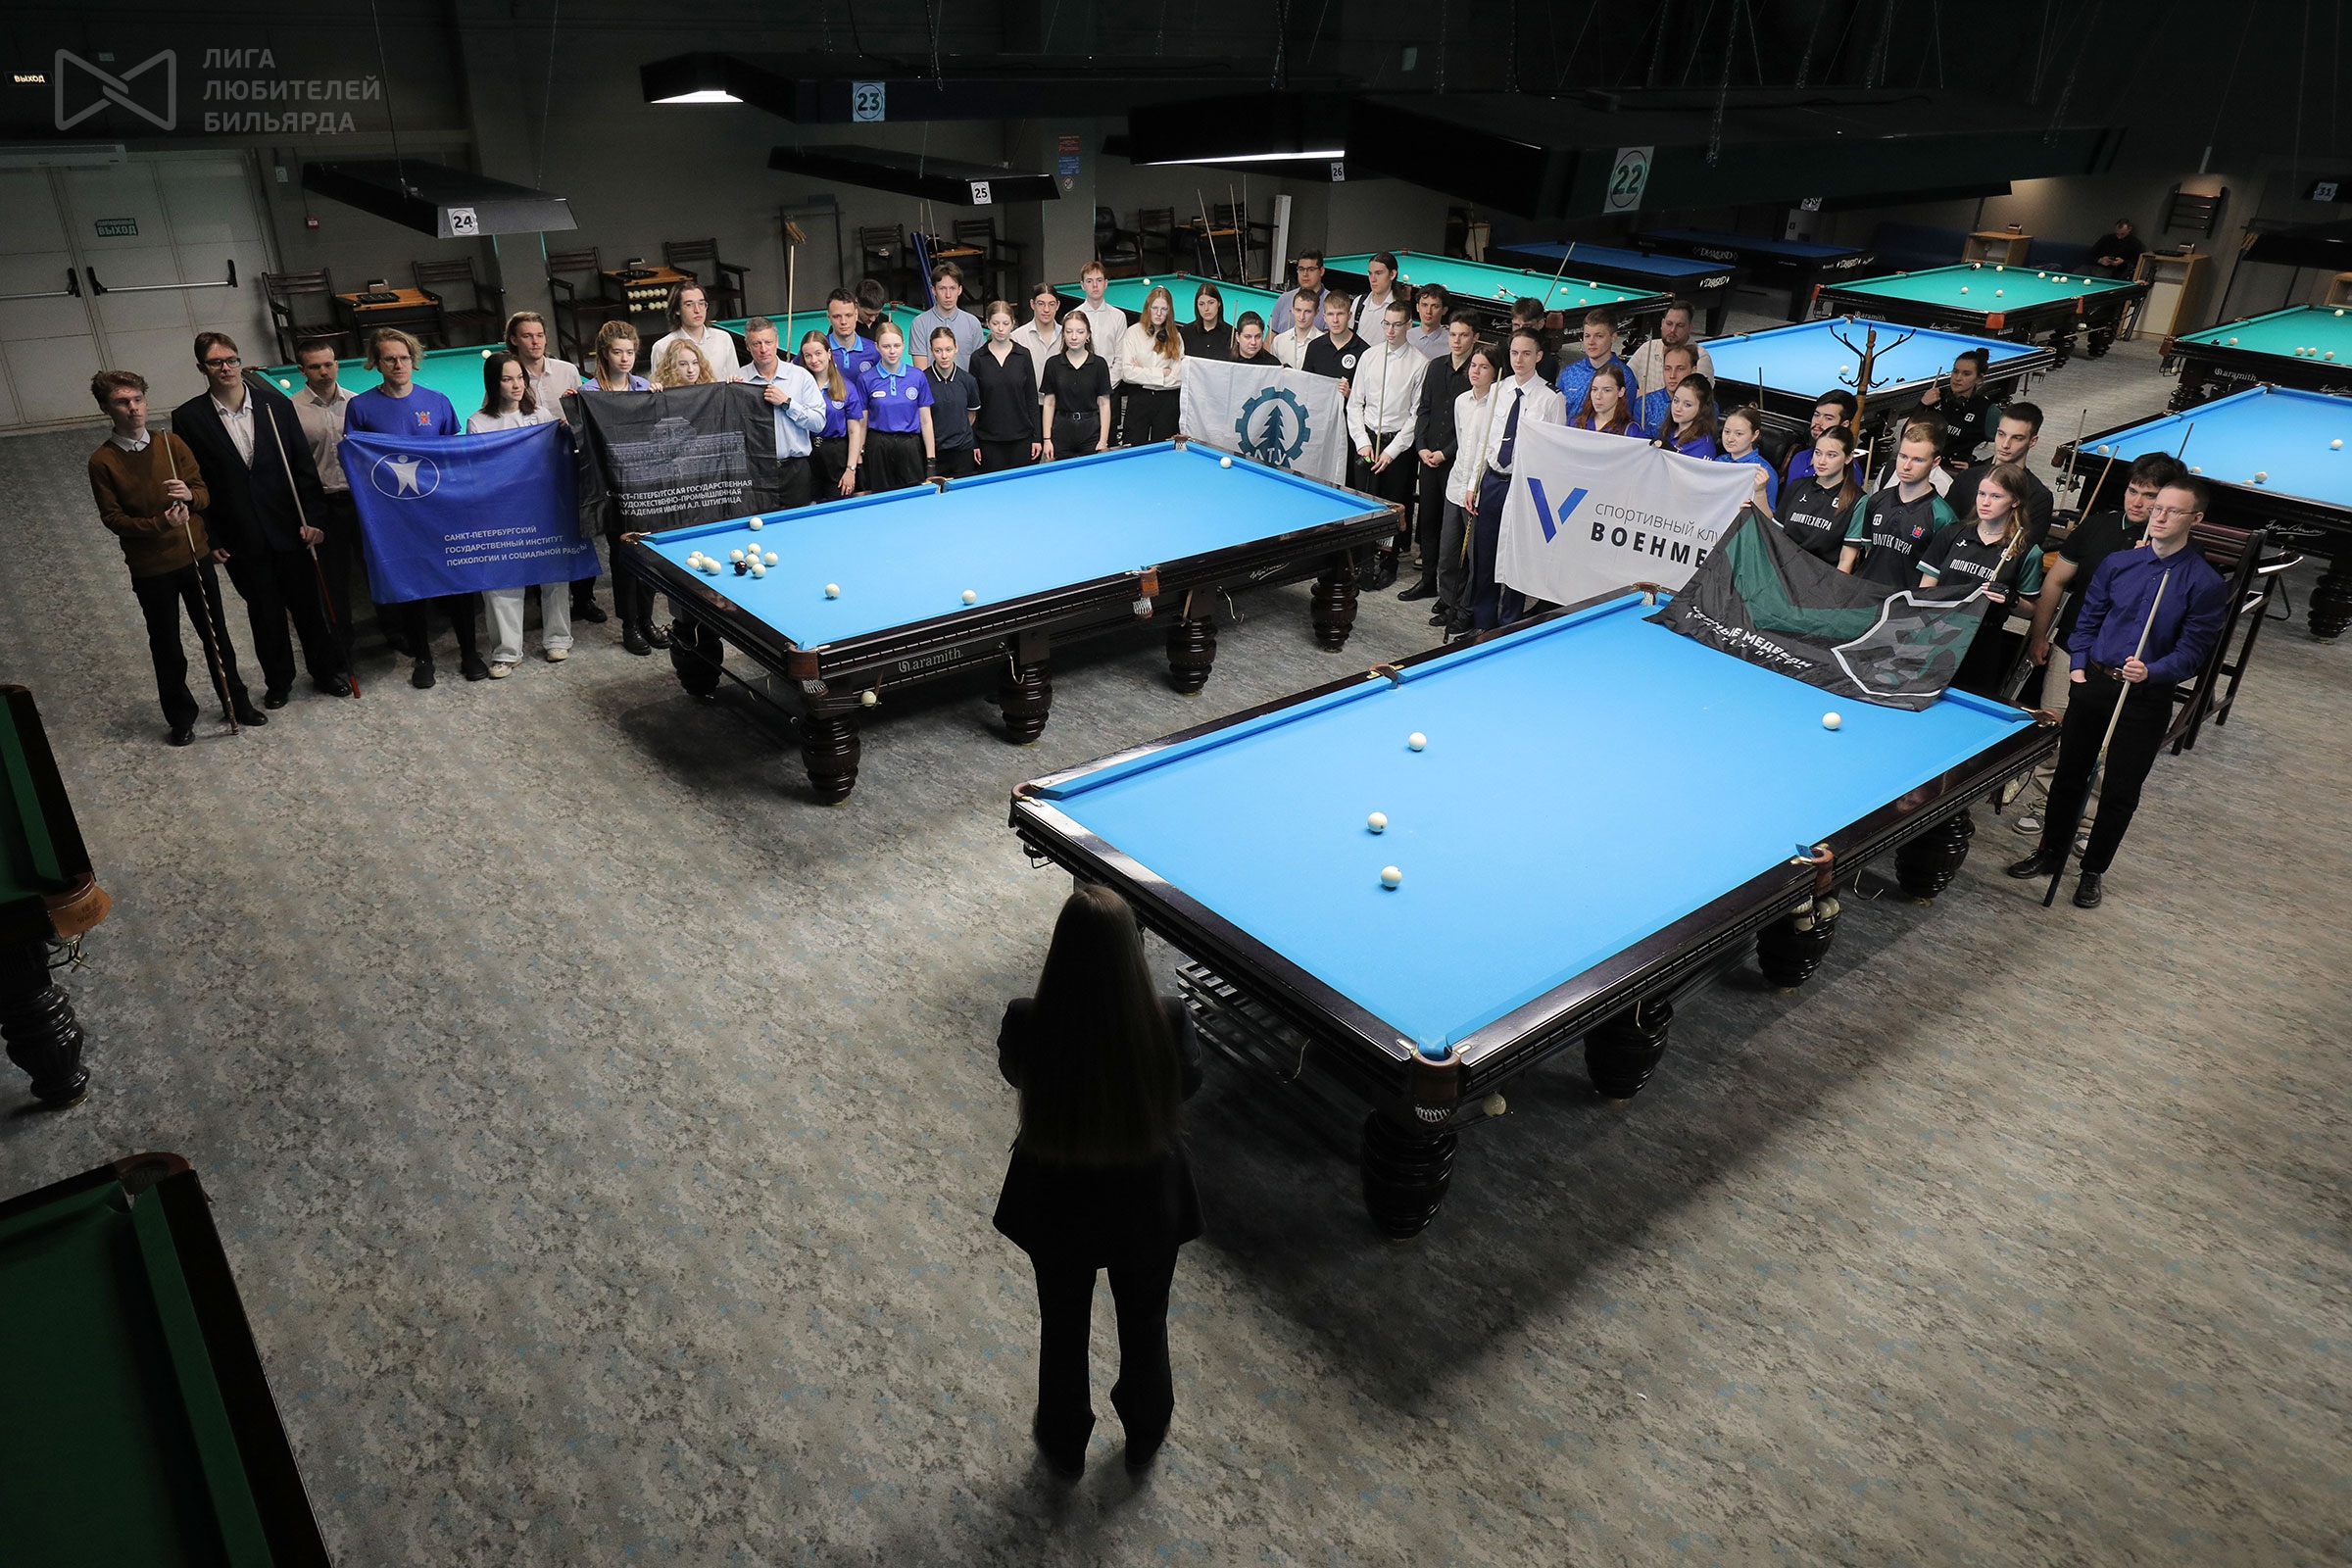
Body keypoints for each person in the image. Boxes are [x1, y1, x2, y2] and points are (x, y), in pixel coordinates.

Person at [994, 884, 1202, 1479]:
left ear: (1058, 952)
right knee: (1145, 1321)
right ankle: (1145, 1428)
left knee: (1062, 1326)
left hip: (1058, 1203)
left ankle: (1063, 1440)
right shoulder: (1169, 1019)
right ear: (1133, 953)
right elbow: (1189, 1085)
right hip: (1147, 1205)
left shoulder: (1027, 1019)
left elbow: (1014, 1072)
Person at [2006, 476, 2229, 907]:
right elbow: (2087, 619)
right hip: (2094, 683)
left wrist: (2153, 671)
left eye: (2172, 511)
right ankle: (2050, 852)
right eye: (2158, 508)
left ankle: (2092, 871)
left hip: (2144, 697)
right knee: (2069, 773)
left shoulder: (2204, 583)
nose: (2159, 516)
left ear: (2196, 519)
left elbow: (2194, 653)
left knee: (2120, 790)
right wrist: (2077, 666)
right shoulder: (2119, 564)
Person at [86, 370, 266, 742]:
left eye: (138, 399)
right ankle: (181, 718)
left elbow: (203, 493)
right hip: (151, 567)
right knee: (167, 645)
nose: (133, 408)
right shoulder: (102, 461)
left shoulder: (171, 443)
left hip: (194, 556)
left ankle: (237, 702)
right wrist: (160, 523)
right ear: (106, 408)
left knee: (216, 636)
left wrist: (190, 496)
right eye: (122, 402)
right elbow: (113, 519)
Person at [172, 331, 346, 707]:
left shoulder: (275, 405)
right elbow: (196, 482)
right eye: (216, 362)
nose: (226, 368)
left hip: (290, 526)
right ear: (202, 368)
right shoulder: (188, 418)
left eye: (231, 360)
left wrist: (314, 518)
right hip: (240, 534)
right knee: (265, 612)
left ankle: (326, 671)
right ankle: (279, 681)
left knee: (307, 607)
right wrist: (211, 536)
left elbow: (302, 467)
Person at [2011, 453, 2181, 832]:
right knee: (2054, 726)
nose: (2137, 502)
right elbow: (2055, 581)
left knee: (2107, 740)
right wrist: (2039, 635)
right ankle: (2044, 804)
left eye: (2149, 496)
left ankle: (2088, 820)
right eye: (2133, 491)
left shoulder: (2175, 548)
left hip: (2125, 661)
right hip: (2073, 646)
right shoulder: (2097, 527)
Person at [345, 326, 480, 687]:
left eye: (404, 357)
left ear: (414, 360)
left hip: (440, 511)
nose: (398, 364)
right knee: (411, 586)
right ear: (376, 363)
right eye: (390, 358)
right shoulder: (360, 407)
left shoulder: (437, 401)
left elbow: (452, 456)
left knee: (458, 581)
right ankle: (423, 657)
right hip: (395, 516)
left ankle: (470, 652)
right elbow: (358, 464)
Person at [466, 352, 572, 678]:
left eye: (520, 378)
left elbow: (555, 456)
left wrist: (566, 428)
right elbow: (479, 472)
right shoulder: (478, 422)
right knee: (502, 581)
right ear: (493, 383)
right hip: (502, 512)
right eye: (507, 379)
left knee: (554, 575)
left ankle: (558, 639)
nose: (516, 385)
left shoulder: (540, 415)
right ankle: (506, 652)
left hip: (543, 508)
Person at [288, 337, 388, 656]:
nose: (324, 372)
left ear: (336, 364)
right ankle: (342, 644)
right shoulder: (290, 410)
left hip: (362, 502)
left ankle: (394, 631)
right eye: (315, 366)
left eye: (328, 364)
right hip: (323, 505)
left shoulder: (357, 403)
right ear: (302, 370)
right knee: (333, 582)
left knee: (377, 570)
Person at [504, 310, 602, 628]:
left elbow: (585, 411)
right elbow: (498, 417)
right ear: (514, 340)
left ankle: (585, 597)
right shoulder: (508, 375)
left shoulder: (567, 370)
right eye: (527, 336)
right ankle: (543, 601)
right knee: (541, 532)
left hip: (571, 461)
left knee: (579, 529)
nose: (535, 342)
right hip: (530, 470)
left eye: (540, 335)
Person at [1465, 328, 1568, 629]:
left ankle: (1509, 624)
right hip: (1493, 481)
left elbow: (1555, 454)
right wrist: (1473, 484)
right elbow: (1485, 441)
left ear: (1539, 356)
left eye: (1526, 353)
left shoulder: (1551, 398)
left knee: (1517, 557)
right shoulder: (1498, 388)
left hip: (1524, 486)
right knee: (1484, 554)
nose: (1519, 359)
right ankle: (1483, 623)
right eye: (1514, 353)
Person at [1916, 462, 2043, 697]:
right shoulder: (1952, 533)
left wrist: (2012, 600)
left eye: (1996, 496)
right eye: (1981, 494)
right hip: (1938, 635)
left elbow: (2031, 611)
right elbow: (1925, 590)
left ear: (2015, 501)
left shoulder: (2026, 551)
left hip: (1982, 644)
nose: (1985, 502)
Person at [578, 320, 663, 657]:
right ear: (604, 353)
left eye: (630, 352)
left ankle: (647, 619)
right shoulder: (589, 393)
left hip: (645, 486)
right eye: (618, 352)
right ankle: (630, 625)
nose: (625, 358)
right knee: (624, 555)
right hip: (612, 489)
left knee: (648, 553)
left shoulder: (644, 387)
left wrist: (659, 401)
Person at [1347, 300, 1429, 587]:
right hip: (1367, 441)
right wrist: (1361, 441)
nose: (1390, 330)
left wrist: (1392, 452)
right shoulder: (1369, 356)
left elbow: (1416, 415)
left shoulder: (1420, 363)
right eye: (1386, 324)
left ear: (1409, 325)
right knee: (1363, 504)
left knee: (1392, 507)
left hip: (1398, 447)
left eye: (1396, 324)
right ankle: (1362, 561)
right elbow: (1354, 404)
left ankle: (1388, 562)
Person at [1402, 313, 1479, 606]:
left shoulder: (1477, 374)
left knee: (1453, 532)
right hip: (1428, 457)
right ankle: (1427, 581)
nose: (1457, 341)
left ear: (1475, 338)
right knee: (1428, 521)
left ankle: (1453, 592)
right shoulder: (1435, 366)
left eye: (1463, 335)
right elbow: (1423, 410)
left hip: (1456, 462)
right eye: (1453, 334)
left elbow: (1472, 428)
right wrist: (1421, 447)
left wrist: (1445, 453)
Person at [1434, 341, 1503, 635]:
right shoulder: (1462, 401)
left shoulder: (1500, 405)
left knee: (1474, 558)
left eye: (1483, 367)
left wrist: (1474, 486)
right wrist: (1462, 483)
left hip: (1479, 490)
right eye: (1473, 365)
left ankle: (1466, 610)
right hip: (1456, 484)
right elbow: (1463, 444)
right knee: (1448, 552)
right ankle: (1449, 601)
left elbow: (1487, 453)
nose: (1476, 371)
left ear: (1495, 372)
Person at [1838, 422, 1956, 587]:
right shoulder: (1876, 500)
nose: (1906, 466)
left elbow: (1932, 577)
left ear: (1935, 462)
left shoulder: (1943, 517)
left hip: (1904, 600)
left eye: (1918, 460)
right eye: (1903, 456)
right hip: (1864, 593)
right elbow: (1869, 553)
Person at [737, 317, 827, 508]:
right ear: (747, 346)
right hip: (756, 471)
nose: (763, 349)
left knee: (799, 523)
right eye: (757, 343)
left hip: (795, 470)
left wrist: (787, 403)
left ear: (777, 342)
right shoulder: (739, 380)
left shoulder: (800, 376)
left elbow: (818, 423)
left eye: (768, 342)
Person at [1945, 402, 2053, 544]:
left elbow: (2027, 547)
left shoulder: (2039, 496)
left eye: (2017, 438)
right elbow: (1945, 529)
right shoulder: (1966, 479)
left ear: (2032, 441)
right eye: (2001, 434)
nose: (2005, 444)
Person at [858, 320, 936, 489]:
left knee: (914, 496)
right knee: (881, 497)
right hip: (878, 446)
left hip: (910, 446)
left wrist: (931, 460)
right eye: (886, 346)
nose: (892, 351)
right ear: (877, 347)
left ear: (903, 345)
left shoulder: (917, 376)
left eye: (896, 345)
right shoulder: (866, 379)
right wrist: (859, 459)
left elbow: (926, 421)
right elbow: (862, 424)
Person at [1773, 426, 1865, 564]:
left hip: (1823, 574)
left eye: (1831, 455)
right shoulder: (1797, 486)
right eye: (1818, 453)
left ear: (1848, 458)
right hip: (1783, 568)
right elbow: (1774, 536)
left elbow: (1846, 559)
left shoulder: (1857, 500)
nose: (1821, 461)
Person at [970, 302, 1041, 472]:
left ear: (1013, 324)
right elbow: (973, 405)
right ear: (988, 323)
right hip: (988, 441)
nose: (1000, 328)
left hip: (1021, 439)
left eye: (1005, 323)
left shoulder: (1023, 355)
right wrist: (974, 442)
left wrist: (1037, 438)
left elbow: (1031, 399)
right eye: (995, 323)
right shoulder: (978, 358)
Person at [799, 331, 868, 498]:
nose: (814, 360)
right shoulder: (799, 387)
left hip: (837, 457)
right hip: (806, 456)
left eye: (818, 353)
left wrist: (851, 469)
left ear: (829, 353)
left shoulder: (846, 387)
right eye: (808, 356)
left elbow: (854, 431)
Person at [1115, 286, 1185, 446]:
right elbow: (1127, 373)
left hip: (1167, 403)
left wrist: (1142, 372)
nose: (1159, 313)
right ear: (1148, 308)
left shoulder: (1176, 337)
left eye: (1164, 309)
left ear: (1169, 311)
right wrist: (1162, 373)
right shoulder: (1133, 333)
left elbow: (1178, 378)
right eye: (1155, 308)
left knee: (1164, 450)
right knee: (1133, 448)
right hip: (1139, 399)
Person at [1040, 312, 1112, 461]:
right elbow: (1049, 403)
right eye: (1069, 332)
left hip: (1091, 432)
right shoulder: (1053, 364)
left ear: (1088, 335)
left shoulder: (1099, 364)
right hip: (1061, 431)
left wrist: (1103, 441)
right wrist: (1047, 439)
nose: (1074, 337)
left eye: (1080, 332)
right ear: (1063, 334)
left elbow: (1104, 404)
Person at [1918, 349, 1995, 472]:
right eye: (1955, 371)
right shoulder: (1935, 396)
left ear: (1979, 379)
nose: (1958, 378)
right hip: (1922, 465)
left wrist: (1978, 467)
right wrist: (1922, 404)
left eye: (1966, 374)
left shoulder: (1986, 410)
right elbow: (1907, 434)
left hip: (1953, 473)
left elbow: (2014, 446)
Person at [651, 281, 740, 382]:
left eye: (701, 303)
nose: (697, 310)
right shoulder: (662, 347)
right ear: (677, 310)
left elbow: (735, 380)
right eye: (689, 305)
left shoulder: (723, 338)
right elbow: (659, 386)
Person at [925, 325, 983, 473]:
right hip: (934, 452)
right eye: (938, 350)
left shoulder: (968, 380)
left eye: (948, 349)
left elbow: (971, 414)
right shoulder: (923, 380)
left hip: (963, 452)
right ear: (931, 351)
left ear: (956, 348)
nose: (944, 356)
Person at [1556, 308, 1636, 412]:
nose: (1591, 342)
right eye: (1587, 336)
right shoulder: (1569, 372)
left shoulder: (1625, 376)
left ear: (1613, 338)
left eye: (1599, 336)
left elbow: (1625, 417)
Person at [1625, 300, 1715, 391]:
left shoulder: (1701, 358)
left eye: (1680, 325)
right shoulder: (1647, 348)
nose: (1672, 330)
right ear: (1662, 323)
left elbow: (1700, 396)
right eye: (1669, 324)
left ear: (1690, 328)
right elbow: (1624, 381)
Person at [910, 262, 984, 369]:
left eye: (952, 288)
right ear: (933, 290)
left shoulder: (973, 323)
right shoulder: (919, 324)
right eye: (942, 289)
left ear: (960, 290)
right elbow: (921, 372)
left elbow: (979, 367)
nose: (948, 295)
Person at [1071, 262, 1129, 392]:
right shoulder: (1071, 317)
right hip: (1079, 388)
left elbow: (1120, 358)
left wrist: (1106, 386)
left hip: (1110, 387)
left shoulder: (1118, 317)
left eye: (1099, 280)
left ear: (1106, 283)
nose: (1095, 285)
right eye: (1089, 281)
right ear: (1082, 285)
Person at [1784, 391, 1857, 492]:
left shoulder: (1848, 471)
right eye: (1816, 415)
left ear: (1844, 425)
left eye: (1828, 418)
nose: (1818, 422)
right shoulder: (1799, 457)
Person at [1300, 292, 1363, 401]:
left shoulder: (1364, 351)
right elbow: (1305, 384)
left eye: (1340, 314)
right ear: (1324, 317)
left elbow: (1369, 396)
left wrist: (1350, 394)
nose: (1335, 320)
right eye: (1330, 314)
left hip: (1347, 411)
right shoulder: (1314, 347)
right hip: (1317, 410)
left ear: (1349, 315)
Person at [1716, 406, 1779, 511]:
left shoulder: (1763, 471)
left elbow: (1768, 516)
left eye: (1739, 434)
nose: (1730, 439)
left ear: (1754, 435)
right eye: (1726, 432)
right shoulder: (1719, 461)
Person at [1630, 340, 1698, 434]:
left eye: (1680, 369)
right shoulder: (1644, 404)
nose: (1672, 375)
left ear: (1693, 371)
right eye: (1667, 369)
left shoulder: (1705, 406)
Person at [1651, 372, 1720, 460]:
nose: (1678, 408)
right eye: (1676, 400)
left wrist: (1672, 454)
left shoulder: (1703, 446)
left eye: (1687, 405)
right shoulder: (1669, 431)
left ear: (1702, 408)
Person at [822, 288, 883, 385]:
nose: (843, 322)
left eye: (848, 315)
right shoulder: (817, 349)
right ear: (829, 317)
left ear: (856, 315)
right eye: (837, 316)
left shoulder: (874, 350)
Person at [1015, 282, 1064, 393]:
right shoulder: (1017, 337)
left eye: (1051, 304)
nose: (1046, 309)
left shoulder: (1067, 337)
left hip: (1061, 401)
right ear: (1032, 304)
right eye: (1041, 304)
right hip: (1028, 400)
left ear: (1058, 305)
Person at [1568, 363, 1640, 437]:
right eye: (1594, 389)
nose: (1598, 396)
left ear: (1621, 392)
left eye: (1607, 390)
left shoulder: (1631, 431)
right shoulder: (1575, 423)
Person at [1180, 281, 1235, 361]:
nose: (1206, 308)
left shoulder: (1231, 333)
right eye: (1201, 304)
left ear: (1219, 303)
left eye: (1211, 303)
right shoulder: (1186, 332)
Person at [1350, 252, 1403, 332]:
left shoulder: (1401, 309)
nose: (1373, 279)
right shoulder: (1359, 302)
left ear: (1392, 274)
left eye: (1378, 273)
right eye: (1370, 273)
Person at [1273, 251, 1328, 326]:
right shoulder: (1284, 299)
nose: (1305, 274)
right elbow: (1271, 333)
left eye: (1311, 269)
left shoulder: (1331, 303)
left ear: (1321, 271)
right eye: (1301, 269)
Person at [1271, 291, 1322, 370]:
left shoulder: (1323, 343)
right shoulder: (1278, 341)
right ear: (1292, 310)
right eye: (1298, 310)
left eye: (1307, 311)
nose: (1302, 317)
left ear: (1316, 312)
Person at [651, 336, 715, 389]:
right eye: (683, 364)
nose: (690, 370)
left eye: (695, 363)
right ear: (671, 366)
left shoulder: (710, 389)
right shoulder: (661, 391)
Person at [1406, 284, 1451, 359]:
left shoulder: (1451, 343)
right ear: (1417, 307)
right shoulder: (1405, 337)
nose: (1428, 311)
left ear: (1444, 310)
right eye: (1424, 305)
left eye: (1435, 306)